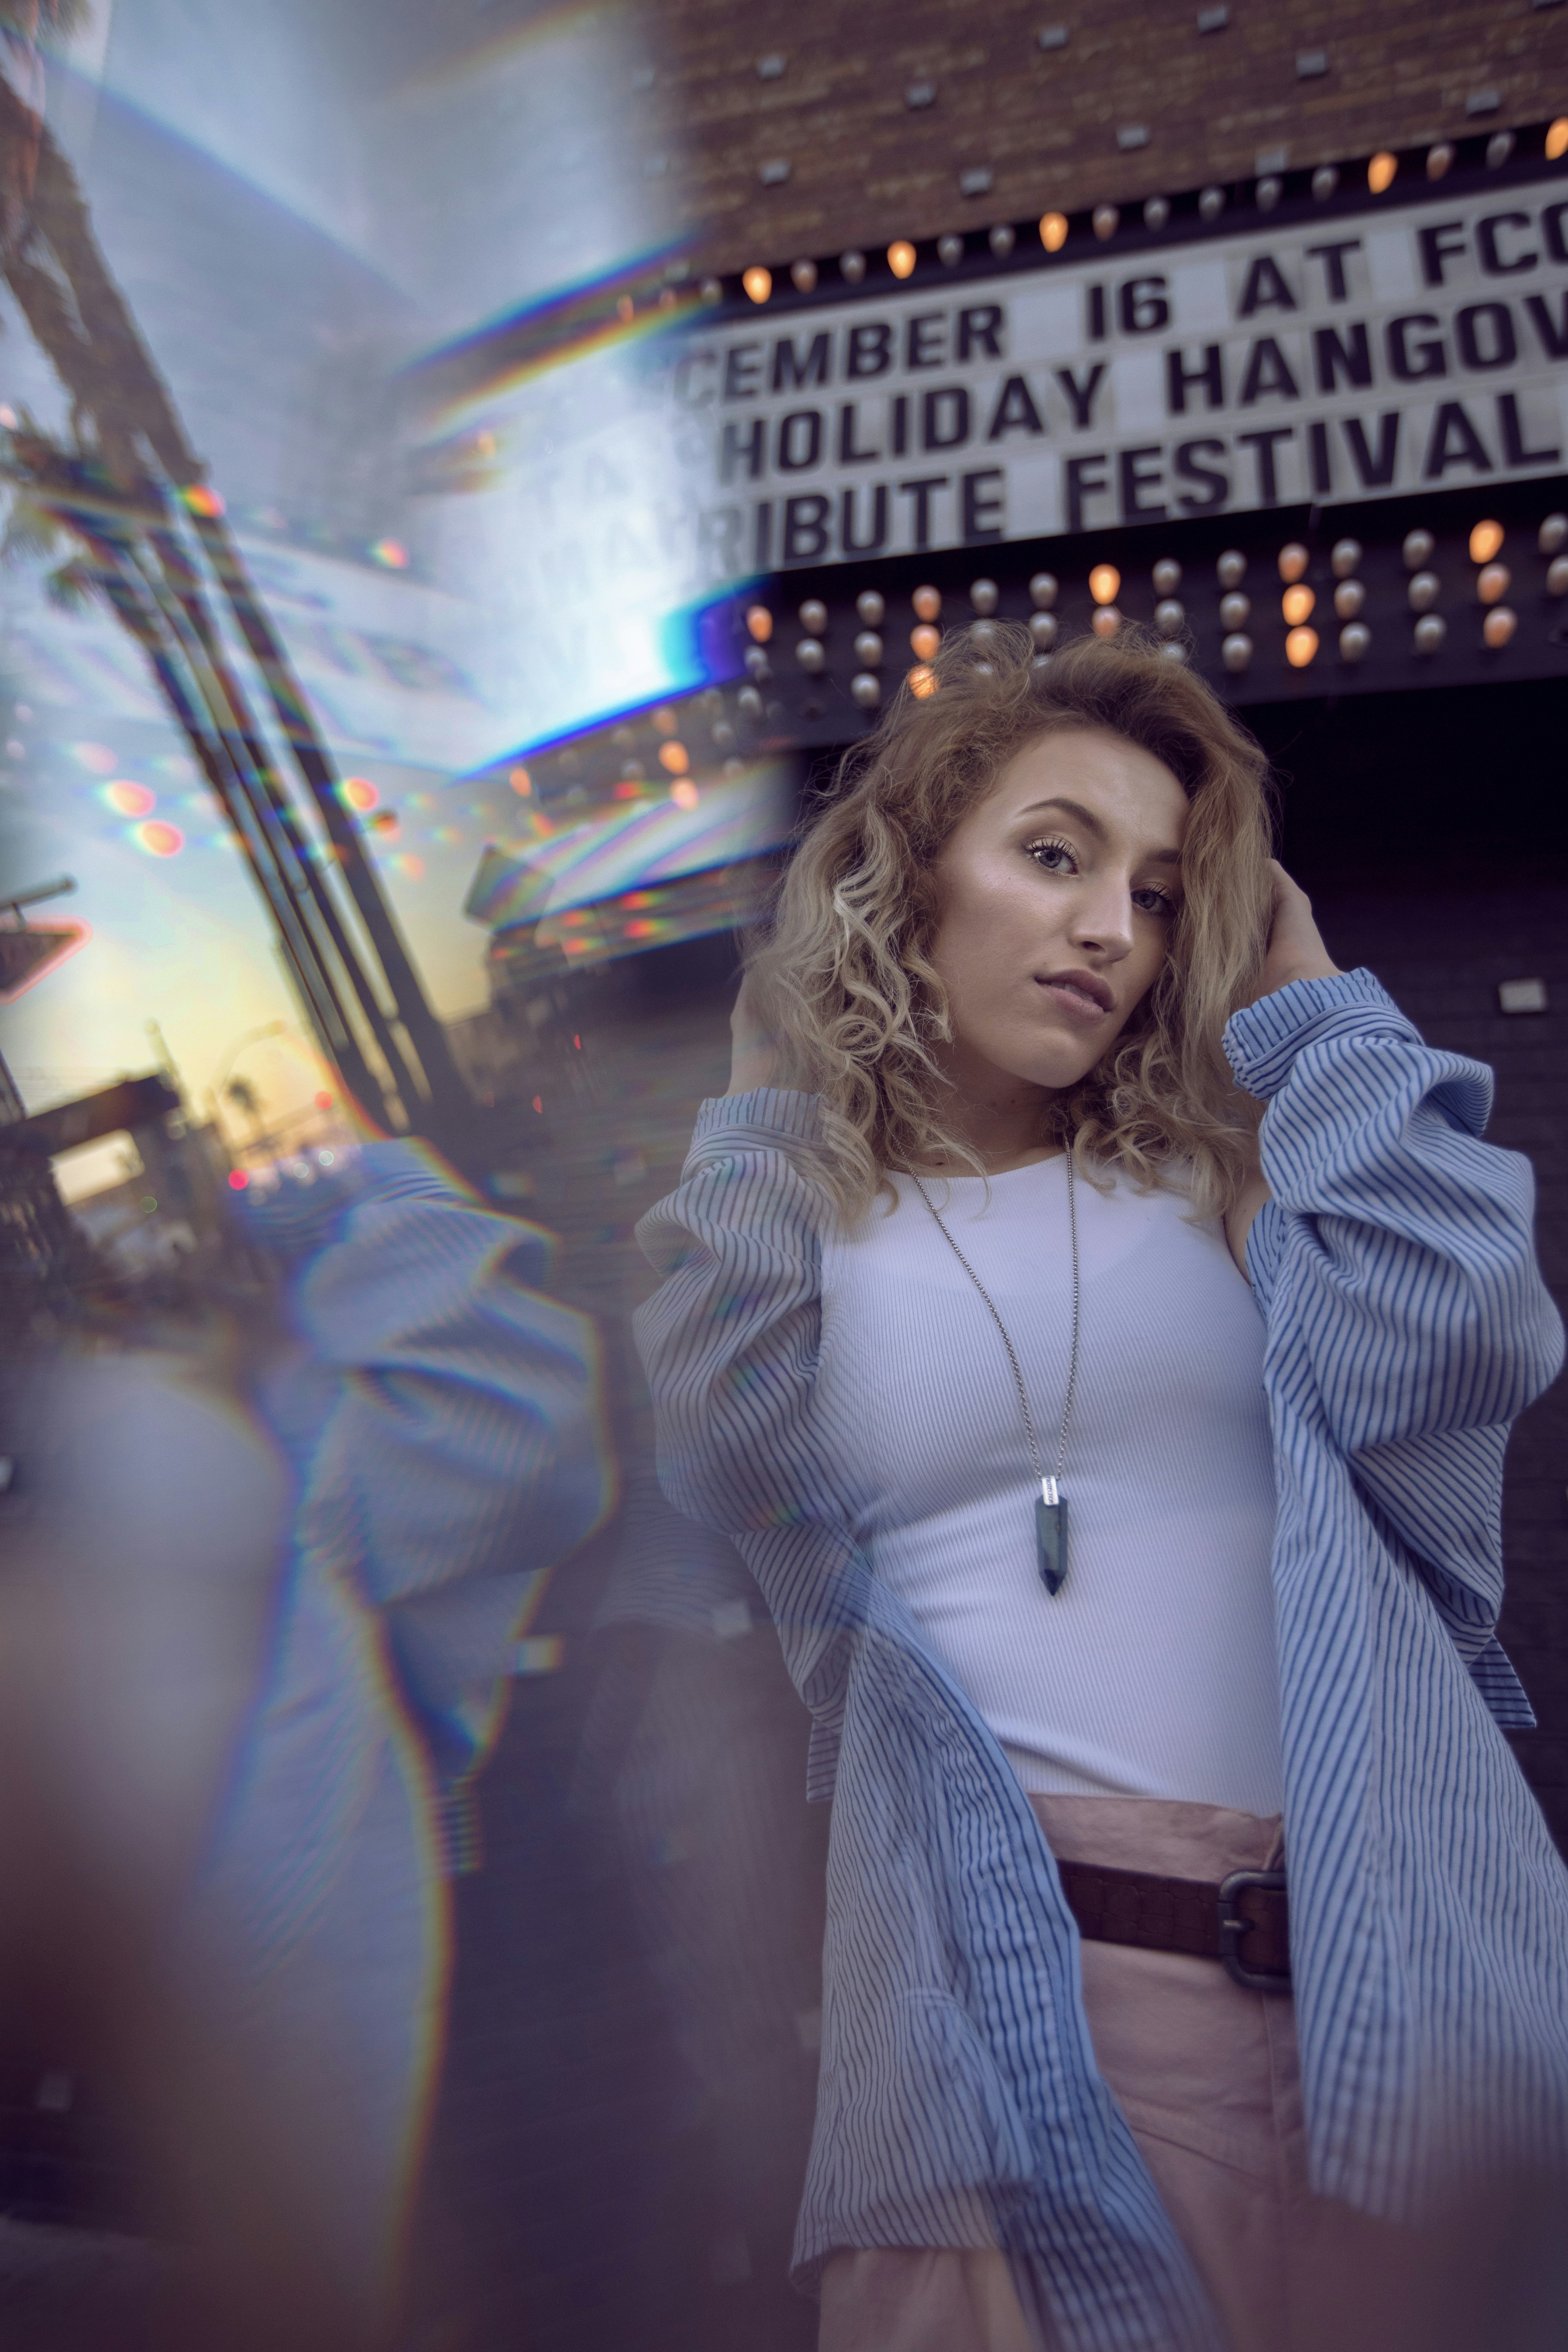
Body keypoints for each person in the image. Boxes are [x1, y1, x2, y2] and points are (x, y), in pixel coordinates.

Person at [633, 625, 1568, 2352]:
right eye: (1053, 855)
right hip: (1009, 2001)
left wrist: (1307, 1002)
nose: (1105, 931)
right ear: (911, 876)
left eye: (1155, 892)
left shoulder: (1224, 1180)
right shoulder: (809, 1231)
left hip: (1392, 1996)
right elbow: (723, 1450)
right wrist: (762, 1116)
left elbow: (1467, 1329)